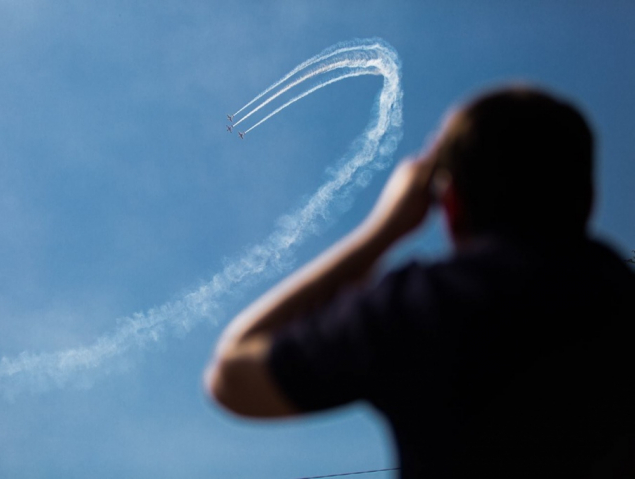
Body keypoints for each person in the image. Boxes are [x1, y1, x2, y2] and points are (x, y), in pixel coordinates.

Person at [204, 86, 635, 478]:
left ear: (449, 204)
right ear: (589, 198)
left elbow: (233, 374)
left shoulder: (426, 305)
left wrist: (383, 231)